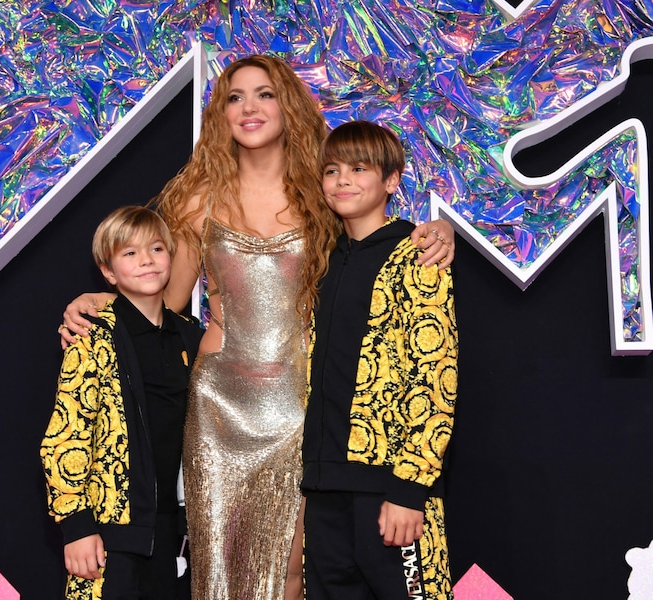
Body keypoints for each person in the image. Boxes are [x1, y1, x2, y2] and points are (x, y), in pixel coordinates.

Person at [58, 55, 455, 600]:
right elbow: (161, 309)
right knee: (217, 574)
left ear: (287, 105)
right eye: (234, 97)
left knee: (294, 571)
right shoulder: (198, 198)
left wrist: (438, 230)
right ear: (220, 114)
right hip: (217, 408)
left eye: (264, 94)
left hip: (301, 407)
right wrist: (99, 301)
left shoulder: (323, 194)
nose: (249, 107)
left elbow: (376, 236)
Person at [301, 120, 457, 599]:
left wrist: (409, 490)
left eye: (358, 168)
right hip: (324, 485)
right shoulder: (321, 260)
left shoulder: (419, 255)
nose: (342, 180)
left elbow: (435, 378)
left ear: (391, 181)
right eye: (331, 170)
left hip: (391, 485)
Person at [41, 206, 204, 600]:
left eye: (156, 248)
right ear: (108, 271)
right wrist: (76, 524)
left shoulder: (190, 337)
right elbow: (68, 432)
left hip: (174, 532)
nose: (146, 259)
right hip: (110, 526)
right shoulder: (92, 334)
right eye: (129, 253)